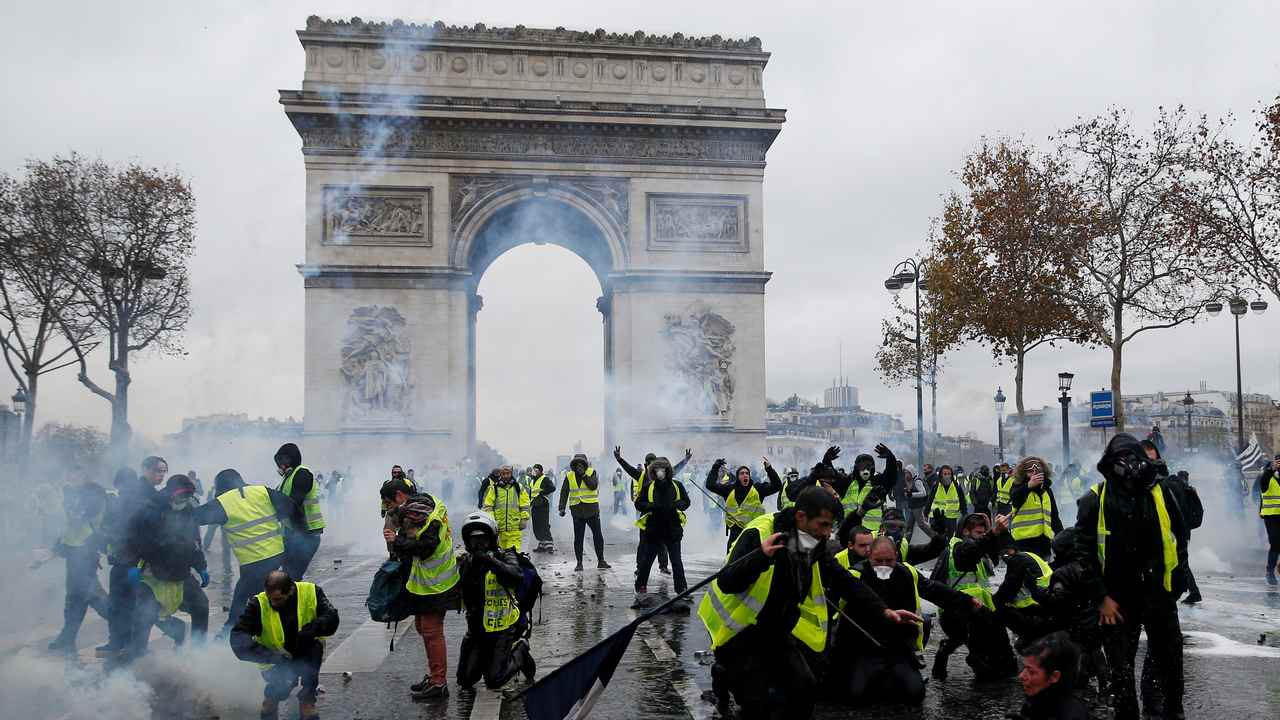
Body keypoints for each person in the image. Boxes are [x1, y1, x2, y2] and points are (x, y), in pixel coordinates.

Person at [698, 486, 921, 720]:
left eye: (830, 526)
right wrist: (760, 557)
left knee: (805, 689)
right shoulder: (760, 533)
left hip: (778, 630)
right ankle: (724, 673)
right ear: (801, 517)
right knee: (760, 706)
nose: (827, 534)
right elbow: (727, 582)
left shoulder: (813, 540)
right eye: (823, 525)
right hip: (740, 635)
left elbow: (842, 579)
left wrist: (883, 610)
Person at [1073, 433, 1188, 720]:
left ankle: (1171, 712)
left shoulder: (1161, 492)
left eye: (1133, 457)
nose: (1129, 466)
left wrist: (1176, 582)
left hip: (1157, 592)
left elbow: (1180, 537)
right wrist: (1100, 598)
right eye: (1121, 459)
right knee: (1121, 673)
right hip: (1117, 600)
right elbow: (1084, 554)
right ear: (1109, 464)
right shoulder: (1094, 499)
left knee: (1170, 663)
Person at [833, 536, 978, 706]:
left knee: (914, 694)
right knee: (855, 695)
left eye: (889, 560)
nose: (883, 566)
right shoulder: (855, 576)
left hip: (897, 648)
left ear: (896, 555)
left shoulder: (907, 573)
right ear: (869, 555)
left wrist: (967, 601)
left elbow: (935, 590)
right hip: (863, 648)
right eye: (878, 561)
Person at [193, 468, 298, 637]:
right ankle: (267, 634)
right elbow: (291, 506)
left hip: (255, 562)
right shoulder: (262, 491)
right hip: (276, 556)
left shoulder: (224, 501)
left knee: (239, 608)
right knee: (261, 599)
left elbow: (195, 517)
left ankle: (225, 642)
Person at [383, 481, 460, 700]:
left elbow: (426, 548)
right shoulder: (425, 503)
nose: (389, 510)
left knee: (431, 631)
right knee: (422, 627)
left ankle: (439, 682)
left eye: (389, 504)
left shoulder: (420, 513)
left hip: (437, 582)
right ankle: (434, 674)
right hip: (427, 580)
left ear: (399, 495)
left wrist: (397, 541)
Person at [230, 570, 339, 720]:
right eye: (270, 599)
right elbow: (238, 638)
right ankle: (270, 702)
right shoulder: (258, 604)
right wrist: (270, 656)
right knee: (282, 688)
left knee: (311, 665)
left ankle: (307, 703)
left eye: (278, 599)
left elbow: (332, 618)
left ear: (291, 590)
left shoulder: (311, 591)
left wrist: (310, 630)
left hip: (306, 651)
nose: (273, 603)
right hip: (274, 660)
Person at [125, 474, 210, 661]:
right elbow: (131, 539)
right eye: (181, 496)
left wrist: (201, 565)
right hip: (152, 572)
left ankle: (198, 653)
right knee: (145, 616)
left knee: (201, 606)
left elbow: (194, 543)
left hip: (180, 571)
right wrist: (132, 564)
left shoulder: (188, 511)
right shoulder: (149, 510)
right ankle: (138, 657)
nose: (184, 501)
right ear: (170, 493)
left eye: (188, 497)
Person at [930, 511, 1017, 681]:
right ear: (965, 532)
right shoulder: (957, 549)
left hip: (977, 609)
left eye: (983, 533)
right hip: (956, 611)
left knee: (999, 648)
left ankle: (947, 649)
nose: (982, 537)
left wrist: (998, 533)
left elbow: (996, 555)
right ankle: (978, 664)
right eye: (978, 533)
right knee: (981, 654)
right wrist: (992, 534)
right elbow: (968, 554)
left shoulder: (978, 551)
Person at [455, 511, 537, 690]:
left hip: (502, 629)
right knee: (465, 680)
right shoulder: (466, 563)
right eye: (473, 540)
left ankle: (520, 651)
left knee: (494, 680)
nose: (478, 545)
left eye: (482, 540)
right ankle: (489, 659)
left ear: (491, 538)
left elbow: (516, 577)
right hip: (476, 630)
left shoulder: (505, 556)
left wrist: (491, 562)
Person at [95, 457, 167, 658]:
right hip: (126, 560)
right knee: (125, 604)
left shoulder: (136, 499)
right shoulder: (133, 498)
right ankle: (122, 643)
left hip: (132, 562)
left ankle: (128, 644)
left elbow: (139, 533)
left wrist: (138, 561)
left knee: (131, 605)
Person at [47, 468, 111, 653]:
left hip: (86, 551)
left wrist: (67, 501)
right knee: (75, 597)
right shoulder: (76, 496)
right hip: (75, 552)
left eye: (76, 475)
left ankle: (123, 629)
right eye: (70, 475)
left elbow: (76, 521)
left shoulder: (93, 496)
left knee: (92, 595)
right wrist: (55, 549)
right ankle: (67, 637)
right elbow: (68, 529)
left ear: (85, 477)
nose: (71, 478)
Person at [634, 456, 691, 598]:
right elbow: (638, 504)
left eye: (663, 469)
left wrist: (679, 504)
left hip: (672, 530)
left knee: (676, 561)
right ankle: (641, 586)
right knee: (647, 561)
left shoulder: (677, 486)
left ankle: (681, 589)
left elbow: (687, 502)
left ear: (667, 471)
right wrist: (650, 506)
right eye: (657, 469)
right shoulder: (649, 487)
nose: (660, 472)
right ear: (653, 471)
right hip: (654, 530)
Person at [705, 457, 781, 550]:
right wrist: (715, 467)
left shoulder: (758, 489)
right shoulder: (729, 489)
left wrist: (769, 469)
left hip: (753, 531)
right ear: (737, 477)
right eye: (742, 473)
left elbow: (777, 486)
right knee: (732, 561)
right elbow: (710, 485)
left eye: (747, 473)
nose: (745, 475)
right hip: (735, 533)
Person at [1010, 632, 1090, 720]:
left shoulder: (1071, 715)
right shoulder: (1035, 701)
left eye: (1031, 671)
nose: (1021, 676)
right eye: (1024, 668)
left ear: (1054, 677)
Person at [993, 540, 1056, 650]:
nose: (1003, 557)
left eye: (1003, 553)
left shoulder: (1018, 559)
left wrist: (993, 601)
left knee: (998, 606)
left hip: (1038, 603)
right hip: (1046, 601)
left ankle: (1029, 636)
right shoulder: (1027, 556)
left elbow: (1009, 588)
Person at [274, 443, 324, 579]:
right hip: (293, 534)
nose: (280, 465)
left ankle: (299, 599)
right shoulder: (287, 478)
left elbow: (293, 503)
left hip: (307, 534)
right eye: (278, 461)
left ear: (292, 459)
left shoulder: (302, 474)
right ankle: (292, 598)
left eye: (282, 460)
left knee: (292, 576)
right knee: (288, 576)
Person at [558, 454, 610, 572]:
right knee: (578, 538)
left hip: (592, 510)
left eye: (581, 464)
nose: (579, 466)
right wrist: (562, 507)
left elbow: (593, 486)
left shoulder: (592, 472)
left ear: (585, 464)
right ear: (574, 465)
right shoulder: (569, 475)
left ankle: (601, 560)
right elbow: (564, 491)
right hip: (577, 511)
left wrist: (584, 474)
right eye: (577, 464)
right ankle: (579, 563)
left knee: (598, 536)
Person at [1009, 457, 1064, 560]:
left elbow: (1055, 517)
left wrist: (1062, 537)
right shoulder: (1018, 486)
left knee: (1043, 573)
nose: (1035, 474)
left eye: (1038, 471)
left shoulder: (1047, 490)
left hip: (1043, 542)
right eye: (1030, 472)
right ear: (1024, 473)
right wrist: (1028, 486)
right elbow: (1015, 498)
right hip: (1022, 542)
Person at [482, 465, 530, 551]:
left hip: (514, 528)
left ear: (511, 474)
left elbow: (525, 505)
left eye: (508, 473)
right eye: (503, 474)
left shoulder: (518, 487)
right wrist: (492, 521)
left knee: (513, 554)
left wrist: (524, 519)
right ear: (500, 474)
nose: (506, 476)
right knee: (502, 556)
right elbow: (488, 507)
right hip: (499, 528)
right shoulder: (494, 488)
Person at [1254, 454, 1280, 584]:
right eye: (1277, 462)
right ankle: (1270, 572)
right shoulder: (1266, 477)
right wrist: (1271, 469)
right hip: (1271, 516)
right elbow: (1263, 482)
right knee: (1275, 543)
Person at [926, 464, 968, 537]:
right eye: (945, 474)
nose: (947, 476)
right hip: (937, 517)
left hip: (951, 518)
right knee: (937, 539)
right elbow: (930, 499)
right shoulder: (936, 485)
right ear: (941, 475)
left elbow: (962, 499)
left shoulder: (956, 485)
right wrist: (925, 513)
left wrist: (964, 513)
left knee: (950, 539)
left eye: (949, 474)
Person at [527, 464, 557, 553]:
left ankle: (549, 544)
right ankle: (542, 543)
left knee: (544, 524)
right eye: (534, 470)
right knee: (536, 525)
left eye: (536, 471)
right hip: (534, 504)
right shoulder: (532, 481)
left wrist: (542, 493)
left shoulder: (545, 479)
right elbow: (531, 492)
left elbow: (552, 488)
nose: (534, 472)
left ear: (541, 471)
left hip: (543, 504)